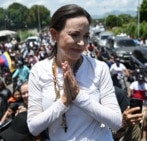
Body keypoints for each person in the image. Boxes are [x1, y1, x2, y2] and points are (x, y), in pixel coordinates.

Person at [27, 4, 122, 141]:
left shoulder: (99, 68)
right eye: (74, 35)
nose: (82, 43)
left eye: (86, 36)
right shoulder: (39, 71)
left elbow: (116, 122)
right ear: (54, 34)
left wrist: (79, 96)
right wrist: (64, 102)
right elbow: (33, 127)